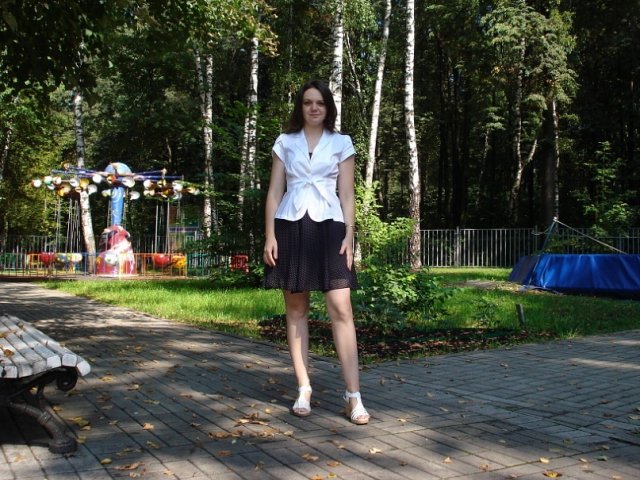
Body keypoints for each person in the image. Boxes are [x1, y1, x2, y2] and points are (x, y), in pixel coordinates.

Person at [263, 79, 370, 425]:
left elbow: (348, 193)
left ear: (328, 107)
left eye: (320, 102)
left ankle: (353, 396)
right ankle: (304, 387)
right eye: (308, 102)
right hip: (290, 226)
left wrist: (350, 235)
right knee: (296, 310)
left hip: (331, 228)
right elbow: (275, 192)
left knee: (341, 307)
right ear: (300, 106)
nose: (313, 108)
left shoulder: (341, 142)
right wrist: (269, 236)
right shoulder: (285, 142)